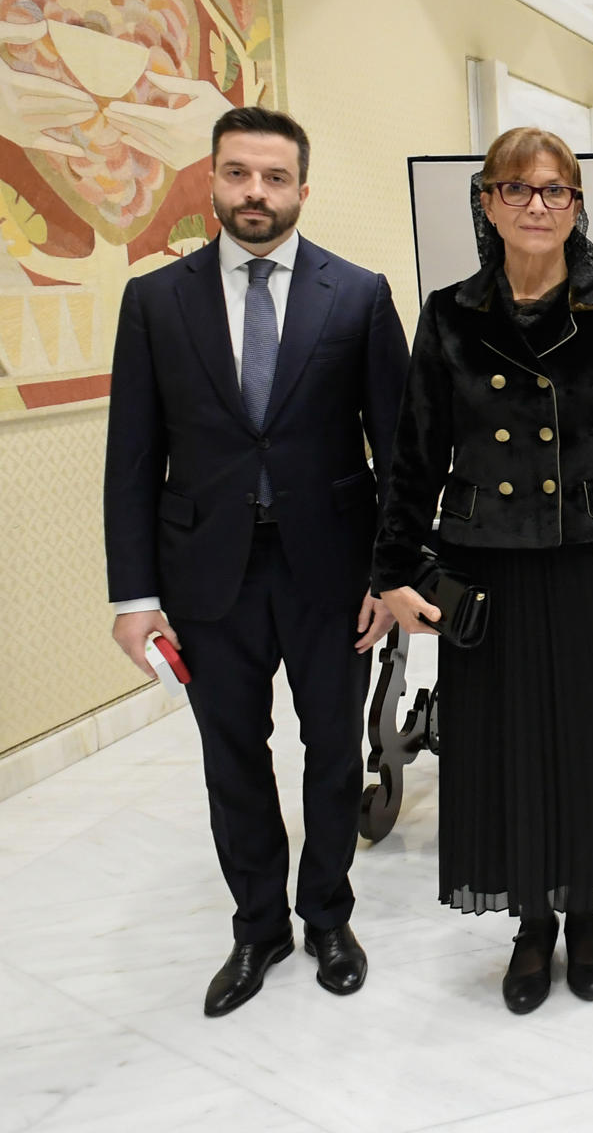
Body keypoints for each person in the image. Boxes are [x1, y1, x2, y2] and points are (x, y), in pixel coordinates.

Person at [103, 106, 409, 1016]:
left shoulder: (357, 295)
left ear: (302, 191)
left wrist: (393, 578)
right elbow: (131, 458)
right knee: (232, 755)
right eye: (239, 174)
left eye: (275, 179)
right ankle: (257, 928)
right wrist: (134, 595)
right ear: (212, 179)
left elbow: (396, 454)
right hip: (205, 578)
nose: (255, 194)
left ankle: (324, 915)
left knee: (328, 755)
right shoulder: (156, 301)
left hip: (334, 576)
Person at [374, 127, 593, 1015]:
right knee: (502, 747)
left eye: (554, 192)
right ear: (486, 202)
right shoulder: (450, 312)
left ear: (577, 207)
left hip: (588, 560)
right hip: (485, 567)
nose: (536, 206)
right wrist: (392, 569)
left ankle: (588, 915)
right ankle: (531, 922)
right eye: (517, 190)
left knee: (589, 741)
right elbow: (413, 452)